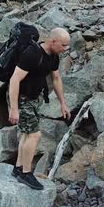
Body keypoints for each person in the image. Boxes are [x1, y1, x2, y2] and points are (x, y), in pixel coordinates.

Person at [8, 27, 71, 190]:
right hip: (22, 98)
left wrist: (63, 103)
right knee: (35, 135)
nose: (65, 49)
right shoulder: (32, 54)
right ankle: (26, 174)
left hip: (35, 98)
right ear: (53, 41)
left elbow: (56, 78)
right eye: (63, 45)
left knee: (27, 133)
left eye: (67, 46)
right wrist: (14, 109)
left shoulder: (54, 56)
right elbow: (14, 80)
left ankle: (19, 168)